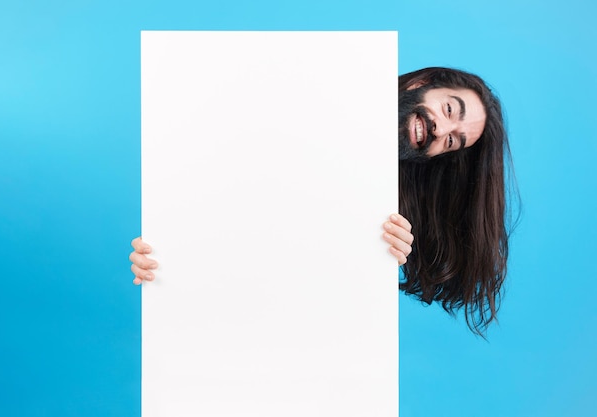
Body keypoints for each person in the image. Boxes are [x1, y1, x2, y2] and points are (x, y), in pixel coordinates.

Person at [130, 67, 515, 337]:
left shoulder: (388, 207)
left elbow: (303, 276)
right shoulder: (292, 98)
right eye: (449, 110)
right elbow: (222, 211)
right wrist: (164, 258)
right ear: (423, 82)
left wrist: (377, 256)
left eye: (451, 141)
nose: (440, 130)